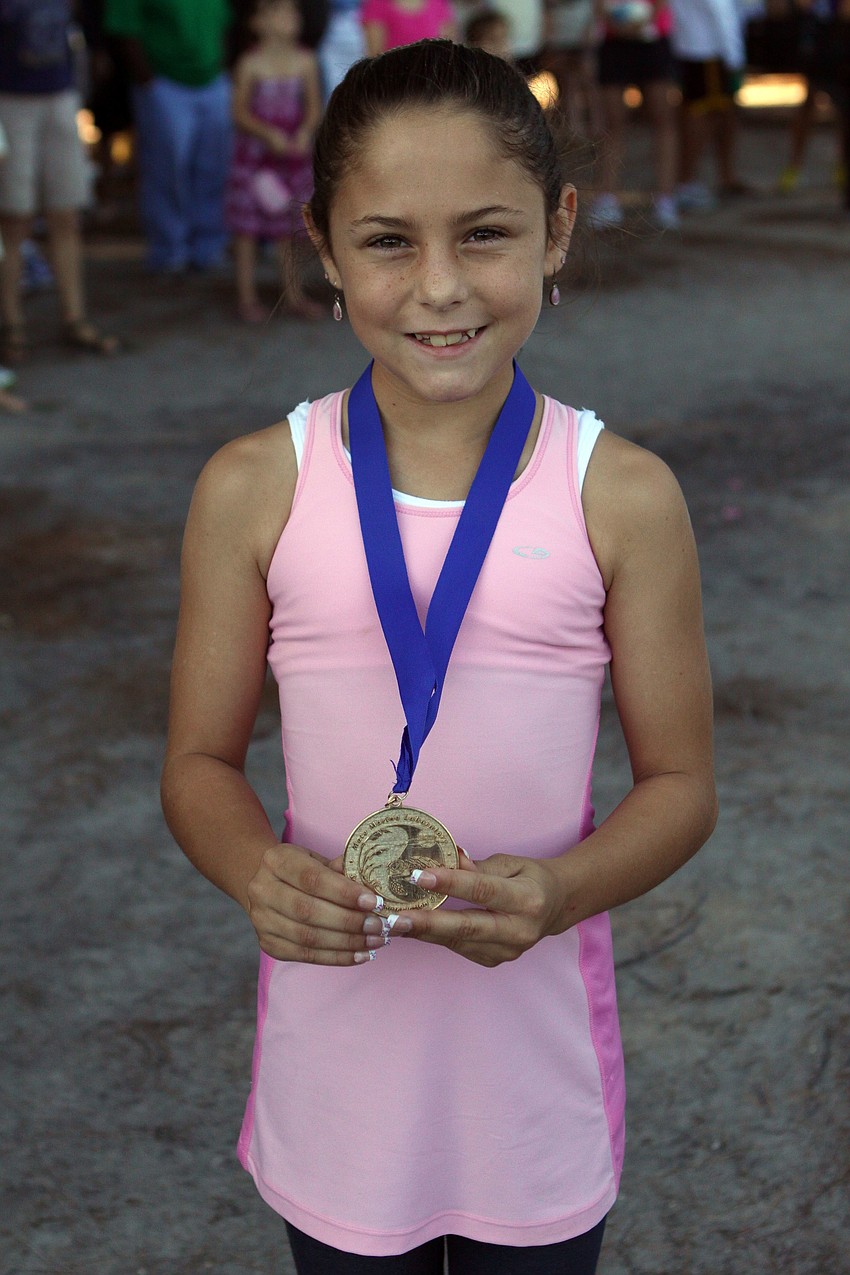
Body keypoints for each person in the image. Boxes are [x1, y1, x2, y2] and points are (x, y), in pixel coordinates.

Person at [161, 39, 717, 1274]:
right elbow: (197, 759)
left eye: (483, 234)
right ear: (321, 243)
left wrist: (563, 893)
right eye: (388, 241)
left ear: (556, 228)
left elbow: (681, 787)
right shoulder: (257, 485)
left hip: (534, 1084)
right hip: (338, 1083)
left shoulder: (618, 494)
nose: (439, 288)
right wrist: (256, 869)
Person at [0, 0, 118, 364]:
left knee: (66, 214)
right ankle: (12, 324)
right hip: (11, 101)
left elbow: (87, 23)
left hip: (61, 96)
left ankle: (74, 318)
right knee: (15, 220)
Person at [104, 0, 232, 274]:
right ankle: (169, 251)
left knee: (216, 168)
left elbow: (225, 20)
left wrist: (222, 66)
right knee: (166, 169)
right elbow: (124, 27)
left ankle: (208, 248)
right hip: (165, 83)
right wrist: (148, 81)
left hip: (212, 79)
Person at [226, 0, 323, 321]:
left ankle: (293, 295)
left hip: (292, 159)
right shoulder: (249, 64)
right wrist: (268, 134)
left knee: (289, 227)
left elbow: (313, 107)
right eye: (279, 11)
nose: (291, 18)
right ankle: (246, 297)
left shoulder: (306, 60)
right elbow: (239, 112)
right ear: (257, 21)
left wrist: (305, 132)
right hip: (256, 161)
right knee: (247, 229)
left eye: (293, 12)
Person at [590, 0, 681, 229]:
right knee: (613, 122)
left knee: (663, 119)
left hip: (652, 40)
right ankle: (606, 196)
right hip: (614, 43)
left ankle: (665, 197)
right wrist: (617, 25)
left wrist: (644, 22)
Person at [669, 0, 747, 210]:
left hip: (691, 45)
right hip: (708, 49)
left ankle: (699, 178)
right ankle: (686, 182)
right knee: (702, 114)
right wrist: (734, 56)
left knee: (708, 113)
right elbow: (719, 10)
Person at [542, 0, 603, 138]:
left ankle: (598, 131)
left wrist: (592, 31)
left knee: (590, 84)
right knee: (567, 86)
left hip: (584, 38)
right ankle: (574, 133)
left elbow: (597, 8)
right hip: (559, 39)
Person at [361, 0, 456, 55]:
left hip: (432, 79)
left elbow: (449, 50)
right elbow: (374, 54)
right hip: (392, 80)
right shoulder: (377, 4)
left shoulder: (439, 3)